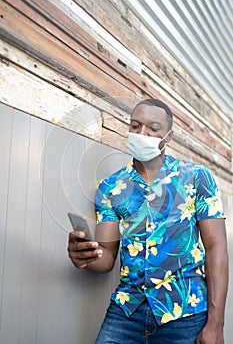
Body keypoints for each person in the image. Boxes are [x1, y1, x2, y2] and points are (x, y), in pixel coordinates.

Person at [68, 99, 229, 344]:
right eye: (135, 126)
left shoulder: (197, 178)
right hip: (127, 310)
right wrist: (85, 256)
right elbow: (108, 257)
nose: (142, 133)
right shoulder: (110, 188)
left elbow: (216, 247)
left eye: (153, 128)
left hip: (185, 311)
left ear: (168, 136)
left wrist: (216, 323)